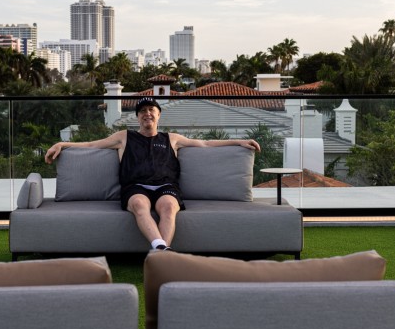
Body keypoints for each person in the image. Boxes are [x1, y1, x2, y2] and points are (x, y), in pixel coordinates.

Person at [45, 97, 261, 251]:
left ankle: (160, 252)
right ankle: (162, 250)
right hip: (136, 187)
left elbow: (204, 143)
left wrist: (239, 141)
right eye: (142, 111)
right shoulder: (124, 137)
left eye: (151, 110)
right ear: (138, 117)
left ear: (158, 115)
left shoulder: (171, 138)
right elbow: (92, 144)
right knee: (139, 205)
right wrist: (62, 144)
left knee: (168, 207)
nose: (147, 113)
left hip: (165, 186)